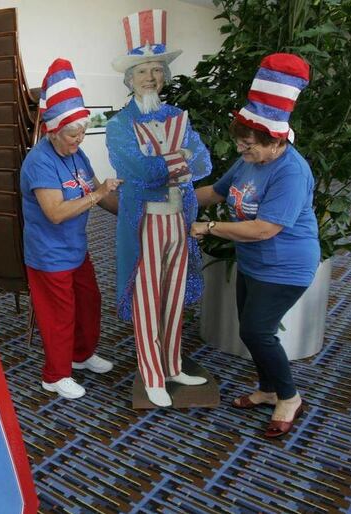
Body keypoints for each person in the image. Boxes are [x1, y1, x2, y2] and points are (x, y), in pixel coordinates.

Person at [191, 53, 317, 438]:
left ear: (275, 139)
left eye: (250, 146)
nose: (243, 152)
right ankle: (266, 389)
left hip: (287, 266)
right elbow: (215, 190)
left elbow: (265, 229)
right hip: (254, 263)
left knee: (258, 332)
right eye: (241, 144)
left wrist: (209, 227)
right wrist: (172, 199)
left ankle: (289, 397)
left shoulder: (291, 171)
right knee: (252, 330)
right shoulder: (249, 160)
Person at [106, 9, 212, 407]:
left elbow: (203, 162)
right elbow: (137, 170)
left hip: (179, 221)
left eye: (156, 70)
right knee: (147, 297)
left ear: (163, 77)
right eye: (142, 71)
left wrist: (172, 162)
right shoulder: (119, 125)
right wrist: (175, 160)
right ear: (129, 79)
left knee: (174, 293)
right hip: (144, 223)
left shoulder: (178, 117)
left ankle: (171, 364)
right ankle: (151, 373)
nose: (150, 77)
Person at [21, 58, 122, 400]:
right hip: (49, 255)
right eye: (72, 134)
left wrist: (134, 213)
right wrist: (98, 194)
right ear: (53, 130)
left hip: (76, 249)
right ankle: (55, 374)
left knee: (89, 302)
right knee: (59, 315)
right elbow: (55, 212)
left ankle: (81, 355)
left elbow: (103, 196)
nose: (79, 139)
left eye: (82, 132)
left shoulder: (78, 156)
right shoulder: (40, 161)